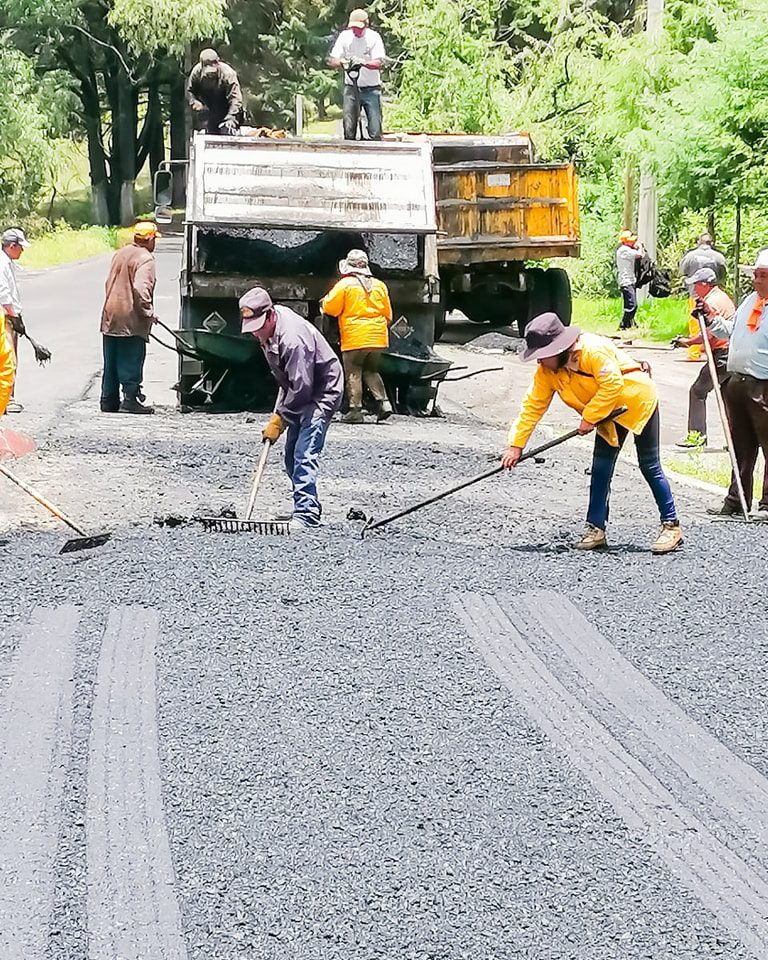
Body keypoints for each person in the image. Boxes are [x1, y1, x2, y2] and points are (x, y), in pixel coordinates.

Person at [501, 312, 682, 553]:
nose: (539, 361)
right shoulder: (547, 372)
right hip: (606, 413)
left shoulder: (592, 351)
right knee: (600, 468)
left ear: (558, 349)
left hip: (636, 402)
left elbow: (613, 384)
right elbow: (532, 407)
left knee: (649, 464)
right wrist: (516, 444)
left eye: (542, 356)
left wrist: (589, 417)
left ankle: (671, 526)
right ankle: (596, 528)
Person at [239, 287, 343, 530]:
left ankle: (306, 514)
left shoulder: (293, 341)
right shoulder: (268, 332)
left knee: (304, 453)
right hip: (300, 386)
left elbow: (302, 387)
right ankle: (307, 505)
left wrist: (281, 419)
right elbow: (289, 382)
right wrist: (280, 414)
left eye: (258, 326)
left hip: (322, 391)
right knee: (290, 456)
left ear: (271, 315)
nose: (255, 333)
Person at [708, 249, 768, 520]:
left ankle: (767, 504)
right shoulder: (749, 302)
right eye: (756, 275)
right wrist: (710, 320)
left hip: (762, 384)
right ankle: (736, 500)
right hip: (738, 382)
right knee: (739, 445)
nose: (757, 281)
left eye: (763, 276)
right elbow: (730, 331)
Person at [320, 249, 393, 424]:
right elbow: (388, 314)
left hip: (355, 338)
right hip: (378, 337)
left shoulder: (345, 285)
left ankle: (355, 410)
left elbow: (330, 308)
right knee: (371, 370)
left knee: (353, 371)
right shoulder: (379, 285)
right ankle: (384, 404)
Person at [672, 267, 736, 448]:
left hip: (722, 354)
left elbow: (709, 336)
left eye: (696, 285)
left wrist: (688, 342)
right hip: (730, 352)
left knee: (698, 391)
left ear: (704, 284)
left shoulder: (712, 302)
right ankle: (735, 439)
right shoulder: (721, 296)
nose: (694, 290)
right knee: (728, 396)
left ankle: (697, 436)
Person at [100, 221, 159, 415]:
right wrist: (148, 311)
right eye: (154, 240)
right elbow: (141, 287)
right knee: (131, 357)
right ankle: (130, 399)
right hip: (130, 317)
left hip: (110, 314)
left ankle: (108, 400)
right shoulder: (145, 258)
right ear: (149, 240)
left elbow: (108, 281)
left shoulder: (121, 253)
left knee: (111, 359)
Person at [329, 9, 386, 140]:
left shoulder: (374, 38)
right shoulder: (345, 37)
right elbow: (332, 60)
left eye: (359, 28)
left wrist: (363, 63)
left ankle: (375, 149)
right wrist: (343, 62)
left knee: (375, 128)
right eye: (353, 28)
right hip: (351, 88)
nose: (356, 31)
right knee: (349, 127)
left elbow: (379, 62)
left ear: (366, 25)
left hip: (371, 89)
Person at [680, 234, 728, 361]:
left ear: (698, 242)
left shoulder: (690, 256)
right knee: (711, 321)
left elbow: (683, 271)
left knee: (696, 323)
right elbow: (723, 274)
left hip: (696, 295)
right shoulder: (719, 257)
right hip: (712, 291)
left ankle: (694, 353)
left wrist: (687, 342)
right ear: (712, 242)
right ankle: (705, 349)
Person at [0, 228, 30, 413]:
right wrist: (14, 316)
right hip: (6, 317)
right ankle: (7, 398)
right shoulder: (2, 263)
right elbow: (3, 292)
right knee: (8, 358)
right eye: (21, 247)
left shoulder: (7, 262)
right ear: (12, 246)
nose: (22, 251)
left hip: (8, 315)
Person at [186, 49, 244, 136]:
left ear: (218, 62)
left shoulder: (228, 74)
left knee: (227, 132)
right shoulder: (196, 73)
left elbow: (235, 99)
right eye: (208, 74)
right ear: (202, 65)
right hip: (209, 110)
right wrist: (194, 102)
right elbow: (190, 91)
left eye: (213, 73)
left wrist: (231, 118)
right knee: (208, 135)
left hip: (228, 108)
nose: (211, 75)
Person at [616, 230, 643, 330]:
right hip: (626, 281)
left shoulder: (626, 249)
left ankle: (630, 324)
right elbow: (639, 255)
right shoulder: (624, 250)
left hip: (630, 280)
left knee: (630, 304)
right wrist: (639, 247)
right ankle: (623, 325)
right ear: (625, 242)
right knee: (632, 305)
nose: (633, 242)